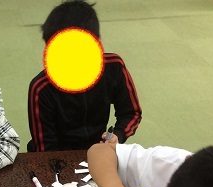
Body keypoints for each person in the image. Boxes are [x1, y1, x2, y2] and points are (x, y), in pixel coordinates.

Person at [27, 0, 141, 152]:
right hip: (58, 156)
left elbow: (132, 113)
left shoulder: (114, 66)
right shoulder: (41, 88)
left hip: (99, 149)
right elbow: (45, 149)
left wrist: (118, 135)